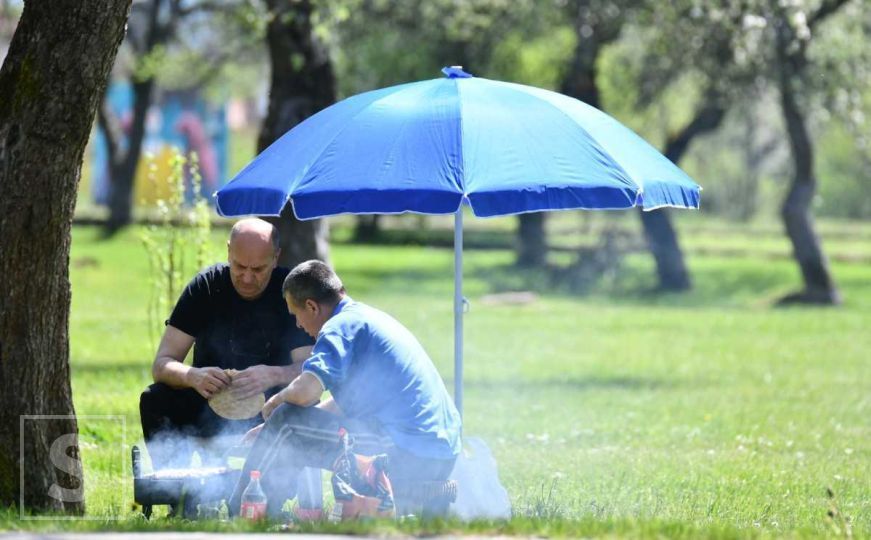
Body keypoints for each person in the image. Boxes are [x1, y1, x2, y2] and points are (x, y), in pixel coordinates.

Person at [228, 260, 462, 517]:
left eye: (295, 315)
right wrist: (270, 429)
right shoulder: (365, 318)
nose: (297, 325)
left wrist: (276, 405)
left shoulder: (339, 327)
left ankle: (243, 514)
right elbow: (344, 404)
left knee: (287, 421)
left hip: (406, 451)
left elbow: (306, 392)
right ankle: (263, 508)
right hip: (437, 453)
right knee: (288, 423)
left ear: (311, 306)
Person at [139, 218, 314, 470]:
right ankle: (177, 489)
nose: (247, 277)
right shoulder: (206, 287)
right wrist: (193, 376)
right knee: (154, 399)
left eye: (258, 269)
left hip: (270, 409)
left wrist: (273, 374)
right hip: (207, 406)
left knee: (303, 405)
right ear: (229, 251)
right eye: (239, 266)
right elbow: (162, 364)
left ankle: (276, 493)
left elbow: (311, 368)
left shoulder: (290, 292)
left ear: (276, 258)